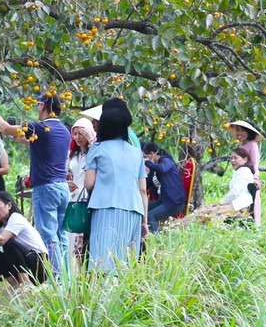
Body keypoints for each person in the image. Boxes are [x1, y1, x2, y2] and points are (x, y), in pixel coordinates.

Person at [0, 93, 72, 278]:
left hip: (46, 188)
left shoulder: (40, 126)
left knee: (48, 236)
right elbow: (37, 143)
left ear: (42, 106)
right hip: (63, 188)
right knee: (62, 236)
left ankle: (55, 278)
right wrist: (23, 139)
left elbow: (8, 128)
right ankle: (67, 279)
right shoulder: (64, 130)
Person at [83, 99, 147, 272]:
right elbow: (142, 190)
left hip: (105, 209)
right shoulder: (136, 152)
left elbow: (89, 183)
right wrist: (144, 223)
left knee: (101, 263)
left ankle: (103, 298)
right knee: (125, 265)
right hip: (133, 211)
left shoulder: (97, 149)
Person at [0, 192, 49, 286]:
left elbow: (2, 240)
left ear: (9, 205)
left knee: (8, 243)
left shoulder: (16, 217)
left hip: (39, 265)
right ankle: (16, 285)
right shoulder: (0, 223)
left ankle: (26, 284)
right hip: (25, 265)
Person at [66, 117, 95, 270]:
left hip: (88, 197)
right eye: (75, 134)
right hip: (74, 197)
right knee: (73, 237)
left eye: (81, 134)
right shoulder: (72, 155)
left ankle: (85, 271)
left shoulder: (94, 152)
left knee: (83, 238)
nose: (77, 137)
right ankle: (74, 272)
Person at [142, 142, 187, 232]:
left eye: (145, 157)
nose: (145, 160)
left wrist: (146, 163)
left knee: (151, 215)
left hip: (174, 202)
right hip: (164, 200)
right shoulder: (155, 168)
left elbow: (162, 168)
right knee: (142, 208)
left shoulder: (166, 160)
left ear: (152, 154)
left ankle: (156, 239)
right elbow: (147, 184)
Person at [229, 120, 263, 226]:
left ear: (248, 132)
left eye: (242, 131)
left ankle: (254, 225)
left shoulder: (253, 145)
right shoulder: (240, 146)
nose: (239, 134)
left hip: (249, 179)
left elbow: (255, 164)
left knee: (251, 203)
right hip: (240, 178)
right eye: (237, 131)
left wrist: (256, 178)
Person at [219, 148, 256, 215]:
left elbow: (235, 192)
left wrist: (221, 203)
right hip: (237, 204)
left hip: (240, 206)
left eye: (235, 158)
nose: (232, 161)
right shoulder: (240, 171)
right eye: (231, 158)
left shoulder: (244, 171)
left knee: (208, 213)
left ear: (245, 159)